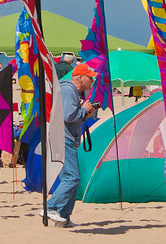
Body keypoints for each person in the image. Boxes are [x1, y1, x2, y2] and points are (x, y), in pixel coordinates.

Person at [44, 61, 99, 226]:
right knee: (72, 178)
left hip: (66, 138)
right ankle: (50, 207)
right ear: (80, 78)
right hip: (64, 139)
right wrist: (83, 110)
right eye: (90, 78)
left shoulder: (71, 91)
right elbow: (68, 115)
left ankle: (63, 217)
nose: (92, 81)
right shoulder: (68, 90)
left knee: (69, 179)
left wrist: (85, 113)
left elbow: (71, 116)